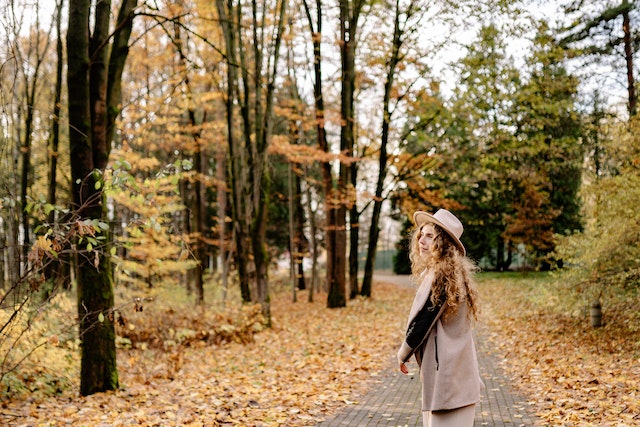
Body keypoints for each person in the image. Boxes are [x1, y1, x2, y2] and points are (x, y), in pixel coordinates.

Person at [397, 208, 482, 427]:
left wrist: (403, 353)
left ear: (443, 244)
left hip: (448, 377)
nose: (421, 241)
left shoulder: (442, 277)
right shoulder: (447, 274)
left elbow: (424, 321)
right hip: (456, 375)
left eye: (429, 236)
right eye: (420, 235)